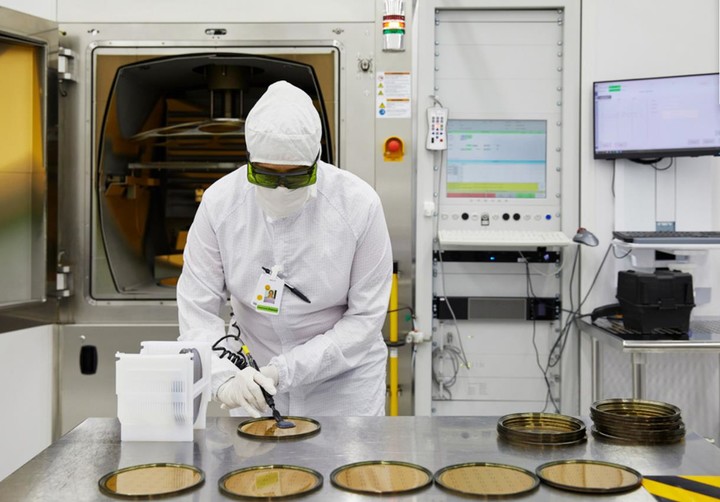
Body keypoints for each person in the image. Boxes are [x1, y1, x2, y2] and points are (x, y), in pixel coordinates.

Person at [177, 80, 393, 417]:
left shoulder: (358, 206)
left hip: (344, 382)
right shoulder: (220, 205)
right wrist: (223, 379)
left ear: (316, 161)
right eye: (265, 176)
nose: (280, 189)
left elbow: (365, 319)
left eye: (295, 178)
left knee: (345, 454)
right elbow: (197, 309)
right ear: (249, 161)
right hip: (252, 379)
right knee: (254, 454)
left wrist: (285, 370)